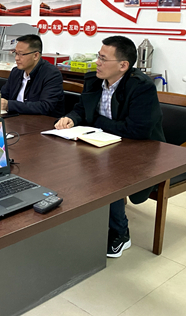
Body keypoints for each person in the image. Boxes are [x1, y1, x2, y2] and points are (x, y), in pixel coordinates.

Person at [54, 35, 164, 258]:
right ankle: (83, 219)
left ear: (123, 65)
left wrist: (95, 122)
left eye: (103, 59)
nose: (97, 62)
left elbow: (138, 130)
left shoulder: (141, 87)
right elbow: (82, 109)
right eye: (98, 56)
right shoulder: (94, 80)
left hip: (140, 150)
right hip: (102, 143)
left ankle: (120, 233)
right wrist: (71, 118)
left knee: (107, 175)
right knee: (65, 164)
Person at [0, 34, 64, 117]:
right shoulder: (16, 72)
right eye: (16, 53)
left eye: (21, 54)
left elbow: (45, 106)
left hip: (41, 122)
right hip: (15, 119)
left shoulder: (51, 74)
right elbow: (4, 95)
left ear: (36, 55)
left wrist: (9, 105)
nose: (16, 58)